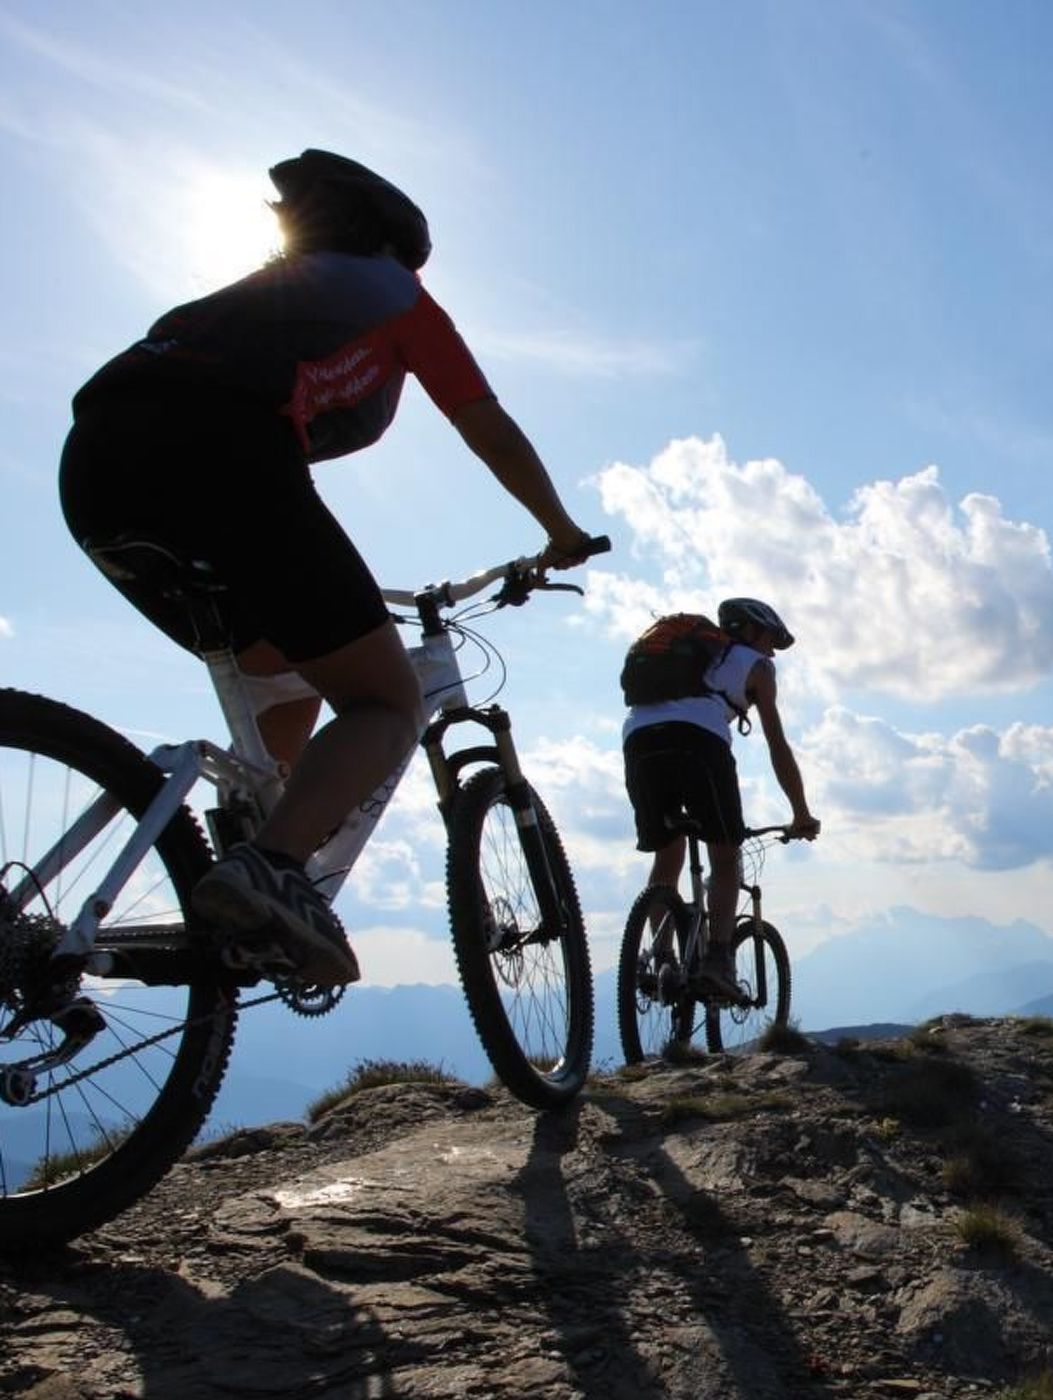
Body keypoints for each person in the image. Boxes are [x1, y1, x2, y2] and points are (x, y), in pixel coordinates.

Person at [58, 149, 599, 987]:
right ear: (391, 246)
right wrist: (560, 530)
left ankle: (236, 881)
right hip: (224, 458)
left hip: (95, 467)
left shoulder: (254, 299)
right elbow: (486, 425)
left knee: (288, 671)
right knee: (387, 698)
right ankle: (269, 868)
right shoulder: (399, 298)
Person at [621, 597, 821, 1001]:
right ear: (753, 632)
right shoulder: (758, 668)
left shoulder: (693, 654)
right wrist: (801, 812)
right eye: (770, 641)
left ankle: (660, 957)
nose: (770, 651)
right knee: (725, 856)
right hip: (700, 743)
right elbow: (777, 745)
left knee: (667, 854)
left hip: (638, 741)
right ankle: (718, 962)